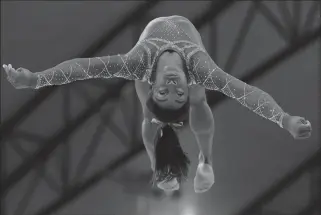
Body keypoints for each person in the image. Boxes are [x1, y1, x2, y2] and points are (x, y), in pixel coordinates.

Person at [2, 15, 312, 193]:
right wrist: (285, 119)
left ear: (156, 88)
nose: (174, 88)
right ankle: (161, 166)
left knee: (189, 102)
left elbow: (82, 69)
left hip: (147, 68)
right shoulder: (196, 67)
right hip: (181, 63)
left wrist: (36, 79)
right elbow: (247, 93)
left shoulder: (138, 63)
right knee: (169, 110)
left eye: (164, 93)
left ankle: (206, 161)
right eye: (179, 96)